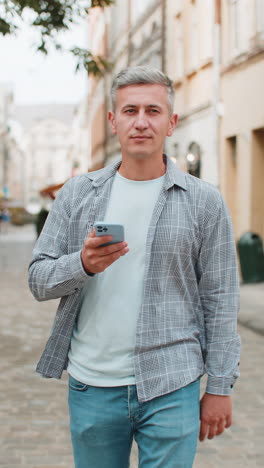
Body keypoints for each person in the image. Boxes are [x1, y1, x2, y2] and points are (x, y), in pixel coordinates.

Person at [28, 66, 241, 468]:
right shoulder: (77, 194)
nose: (141, 122)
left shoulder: (204, 202)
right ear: (113, 122)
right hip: (92, 384)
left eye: (152, 110)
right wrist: (83, 264)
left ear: (171, 122)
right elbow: (38, 279)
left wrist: (220, 386)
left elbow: (221, 298)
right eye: (129, 111)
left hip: (172, 384)